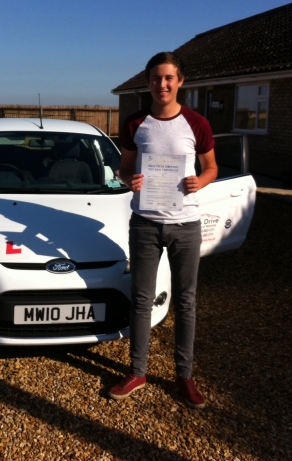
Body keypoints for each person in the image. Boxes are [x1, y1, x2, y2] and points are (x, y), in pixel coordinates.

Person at [108, 52, 218, 409]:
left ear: (180, 81)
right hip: (145, 223)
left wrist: (199, 181)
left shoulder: (197, 123)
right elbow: (123, 168)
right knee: (141, 299)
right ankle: (138, 371)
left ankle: (184, 376)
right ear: (149, 82)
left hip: (185, 224)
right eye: (156, 78)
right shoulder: (135, 123)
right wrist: (131, 179)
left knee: (186, 301)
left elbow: (212, 167)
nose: (163, 85)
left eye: (169, 78)